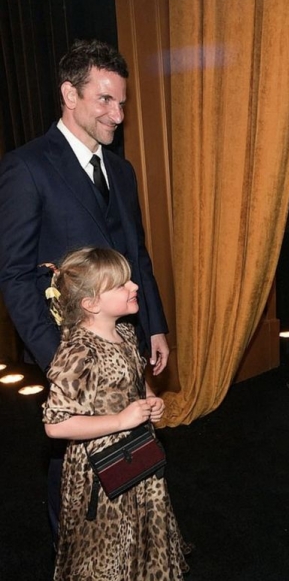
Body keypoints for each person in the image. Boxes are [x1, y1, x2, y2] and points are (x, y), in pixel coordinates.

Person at [0, 39, 169, 541]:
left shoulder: (122, 170)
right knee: (74, 466)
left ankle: (127, 546)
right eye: (105, 100)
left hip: (126, 340)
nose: (118, 115)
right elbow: (15, 274)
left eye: (122, 102)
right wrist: (60, 358)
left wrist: (155, 326)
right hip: (70, 349)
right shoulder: (26, 167)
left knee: (128, 450)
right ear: (69, 95)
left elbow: (137, 255)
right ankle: (74, 554)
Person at [42, 247, 190, 580]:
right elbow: (55, 424)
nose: (134, 286)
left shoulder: (125, 332)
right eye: (121, 284)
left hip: (138, 452)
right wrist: (121, 420)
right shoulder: (78, 352)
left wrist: (150, 399)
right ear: (91, 303)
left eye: (130, 280)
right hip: (100, 471)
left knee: (142, 532)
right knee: (108, 551)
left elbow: (134, 378)